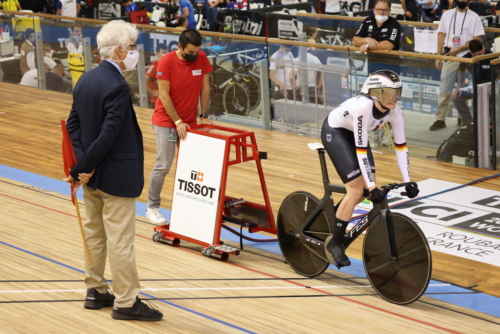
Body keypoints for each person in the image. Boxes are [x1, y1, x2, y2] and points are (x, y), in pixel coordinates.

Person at [63, 20, 163, 322]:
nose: (134, 53)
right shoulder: (117, 86)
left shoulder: (86, 80)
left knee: (94, 234)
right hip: (114, 175)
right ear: (119, 51)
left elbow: (73, 127)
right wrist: (84, 166)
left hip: (92, 177)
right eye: (131, 48)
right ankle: (126, 301)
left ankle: (95, 290)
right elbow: (109, 134)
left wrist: (81, 167)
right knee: (121, 241)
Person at [320, 70, 419, 267]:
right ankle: (335, 243)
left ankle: (335, 215)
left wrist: (408, 180)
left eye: (396, 94)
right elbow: (361, 150)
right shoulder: (363, 108)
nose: (394, 99)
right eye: (388, 94)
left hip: (357, 139)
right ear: (375, 93)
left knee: (365, 190)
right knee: (357, 190)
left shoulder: (396, 112)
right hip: (336, 133)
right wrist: (373, 187)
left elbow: (401, 147)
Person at [146, 29, 212, 225]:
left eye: (197, 52)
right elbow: (163, 95)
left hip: (190, 121)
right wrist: (177, 122)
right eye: (190, 52)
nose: (194, 56)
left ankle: (187, 206)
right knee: (163, 164)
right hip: (166, 121)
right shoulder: (166, 62)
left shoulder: (201, 57)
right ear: (180, 47)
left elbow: (205, 88)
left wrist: (204, 116)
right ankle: (152, 207)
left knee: (190, 167)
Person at [430, 0, 484, 130]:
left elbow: (477, 39)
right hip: (449, 55)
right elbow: (441, 34)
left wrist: (458, 50)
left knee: (465, 90)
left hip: (467, 58)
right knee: (445, 88)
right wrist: (438, 56)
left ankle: (463, 119)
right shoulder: (447, 15)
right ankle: (440, 118)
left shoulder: (474, 17)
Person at [451, 39, 491, 126]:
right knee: (456, 97)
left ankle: (486, 123)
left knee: (481, 102)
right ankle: (468, 121)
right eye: (479, 54)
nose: (482, 55)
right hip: (473, 86)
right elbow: (460, 70)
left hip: (488, 86)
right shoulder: (466, 58)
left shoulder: (491, 55)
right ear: (472, 54)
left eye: (483, 52)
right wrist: (459, 87)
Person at [146, 43, 168, 107]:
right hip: (155, 101)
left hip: (163, 98)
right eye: (163, 52)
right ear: (158, 53)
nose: (166, 54)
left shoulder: (166, 65)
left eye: (167, 51)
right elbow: (144, 80)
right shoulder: (154, 65)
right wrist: (151, 92)